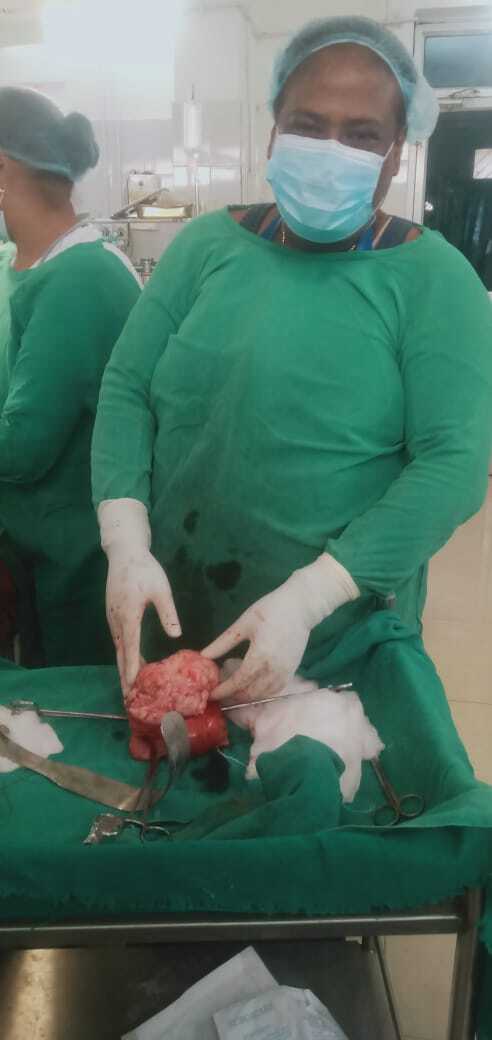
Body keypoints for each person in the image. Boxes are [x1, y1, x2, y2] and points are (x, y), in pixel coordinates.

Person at [92, 16, 492, 700]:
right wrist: (126, 540)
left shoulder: (432, 279)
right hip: (174, 607)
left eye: (361, 134)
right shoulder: (206, 247)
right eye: (308, 125)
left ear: (396, 154)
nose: (330, 150)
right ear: (274, 132)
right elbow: (128, 387)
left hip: (332, 640)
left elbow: (453, 465)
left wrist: (312, 596)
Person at [0, 87, 141, 666]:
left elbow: (22, 447)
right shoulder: (41, 262)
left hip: (80, 566)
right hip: (42, 549)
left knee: (73, 703)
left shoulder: (79, 280)